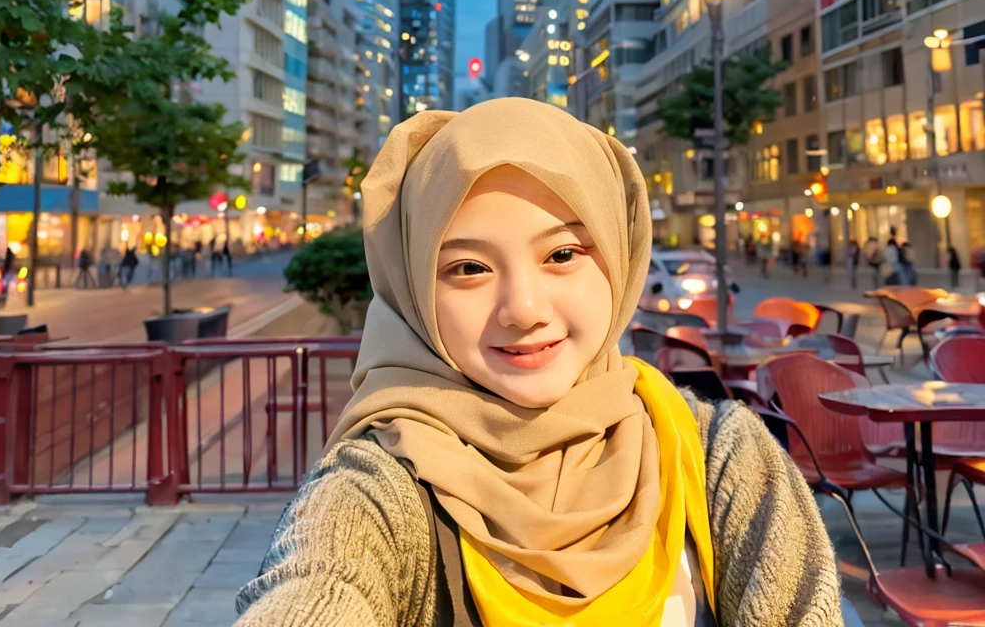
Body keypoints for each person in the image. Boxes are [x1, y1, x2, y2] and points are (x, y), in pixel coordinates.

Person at [234, 99, 844, 627]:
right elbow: (317, 584)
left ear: (618, 255)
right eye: (468, 268)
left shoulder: (721, 459)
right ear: (415, 290)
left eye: (563, 253)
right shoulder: (384, 487)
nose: (523, 309)